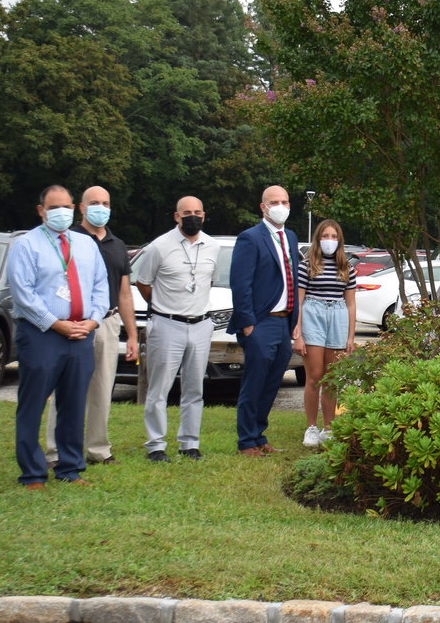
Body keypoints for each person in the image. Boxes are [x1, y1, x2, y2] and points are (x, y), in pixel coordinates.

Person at [7, 185, 110, 489]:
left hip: (81, 334)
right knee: (33, 403)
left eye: (66, 206)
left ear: (75, 208)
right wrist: (54, 323)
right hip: (42, 334)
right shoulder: (27, 245)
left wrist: (93, 320)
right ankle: (32, 472)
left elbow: (101, 285)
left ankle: (70, 468)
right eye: (54, 207)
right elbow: (22, 293)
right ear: (41, 211)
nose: (61, 213)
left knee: (74, 402)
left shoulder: (86, 244)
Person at [44, 186, 137, 467]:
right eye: (94, 202)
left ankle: (98, 449)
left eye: (106, 203)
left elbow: (124, 293)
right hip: (74, 324)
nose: (101, 207)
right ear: (81, 208)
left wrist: (131, 334)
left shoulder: (117, 245)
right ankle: (55, 451)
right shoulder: (68, 240)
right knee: (66, 388)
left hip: (107, 323)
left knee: (102, 388)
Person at [136, 196, 220, 462]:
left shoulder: (213, 246)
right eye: (187, 212)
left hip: (200, 324)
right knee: (159, 388)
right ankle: (156, 445)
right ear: (176, 216)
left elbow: (209, 281)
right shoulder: (158, 247)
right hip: (167, 324)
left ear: (204, 215)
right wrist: (163, 305)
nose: (192, 216)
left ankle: (189, 443)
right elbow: (143, 283)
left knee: (195, 388)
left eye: (197, 212)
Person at [228, 186, 302, 457]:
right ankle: (246, 441)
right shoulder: (250, 238)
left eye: (284, 201)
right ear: (263, 207)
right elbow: (241, 283)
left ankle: (259, 435)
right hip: (260, 323)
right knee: (255, 382)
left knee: (272, 383)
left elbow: (292, 278)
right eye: (274, 202)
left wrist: (295, 321)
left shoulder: (290, 237)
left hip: (284, 323)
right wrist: (248, 323)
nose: (280, 206)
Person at [297, 219, 356, 446]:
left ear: (339, 240)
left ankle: (329, 427)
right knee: (315, 376)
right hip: (313, 314)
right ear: (317, 239)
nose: (329, 241)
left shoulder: (346, 267)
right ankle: (311, 427)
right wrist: (298, 333)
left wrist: (350, 336)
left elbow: (351, 303)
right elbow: (299, 300)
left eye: (333, 237)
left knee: (331, 378)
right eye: (325, 236)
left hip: (338, 316)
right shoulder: (307, 265)